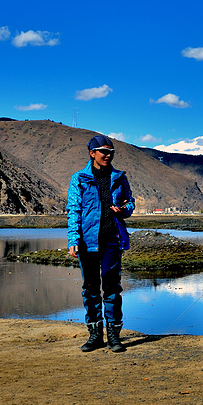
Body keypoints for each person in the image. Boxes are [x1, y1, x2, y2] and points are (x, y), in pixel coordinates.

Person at [67, 134, 135, 352]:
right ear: (92, 153)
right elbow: (74, 210)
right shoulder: (79, 178)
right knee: (90, 288)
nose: (108, 155)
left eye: (111, 152)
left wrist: (124, 209)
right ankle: (95, 336)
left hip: (112, 240)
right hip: (87, 242)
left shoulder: (120, 177)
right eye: (104, 152)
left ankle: (114, 337)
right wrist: (73, 239)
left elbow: (130, 203)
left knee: (112, 287)